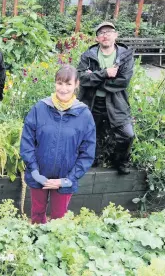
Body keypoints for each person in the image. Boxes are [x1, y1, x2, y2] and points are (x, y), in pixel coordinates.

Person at [21, 65, 96, 224]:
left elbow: (87, 153)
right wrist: (34, 172)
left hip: (65, 179)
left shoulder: (84, 115)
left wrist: (68, 180)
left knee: (58, 220)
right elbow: (27, 142)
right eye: (60, 83)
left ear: (76, 85)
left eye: (68, 84)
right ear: (55, 83)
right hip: (39, 176)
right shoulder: (40, 108)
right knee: (37, 217)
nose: (63, 89)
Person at [76, 21, 135, 175]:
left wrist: (94, 80)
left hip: (116, 103)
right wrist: (104, 73)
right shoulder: (88, 56)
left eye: (109, 31)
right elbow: (81, 78)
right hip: (91, 102)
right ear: (97, 38)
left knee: (127, 134)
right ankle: (92, 160)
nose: (105, 35)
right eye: (101, 33)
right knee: (90, 134)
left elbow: (123, 81)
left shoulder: (125, 56)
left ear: (116, 35)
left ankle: (120, 160)